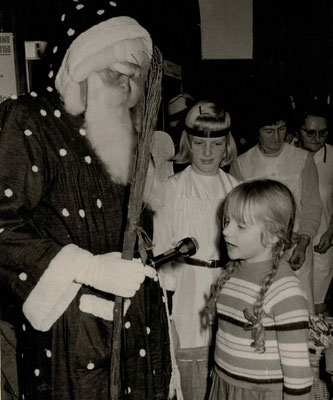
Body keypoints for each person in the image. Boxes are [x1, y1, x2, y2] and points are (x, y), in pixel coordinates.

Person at [0, 5, 172, 400]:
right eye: (117, 75)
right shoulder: (29, 119)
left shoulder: (124, 134)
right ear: (81, 67)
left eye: (134, 78)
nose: (129, 88)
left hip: (139, 324)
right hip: (71, 332)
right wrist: (88, 268)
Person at [153, 100, 239, 400]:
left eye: (216, 144)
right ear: (187, 142)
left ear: (226, 145)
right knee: (192, 380)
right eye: (199, 142)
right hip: (187, 295)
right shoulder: (171, 189)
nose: (206, 152)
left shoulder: (236, 190)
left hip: (229, 291)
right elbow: (162, 254)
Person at [207, 179, 313, 399]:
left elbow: (298, 371)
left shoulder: (285, 291)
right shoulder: (232, 273)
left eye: (241, 225)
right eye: (226, 221)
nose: (226, 231)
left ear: (274, 234)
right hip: (225, 384)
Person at [229, 99, 322, 314]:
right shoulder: (241, 164)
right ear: (256, 131)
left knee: (297, 311)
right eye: (269, 131)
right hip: (257, 255)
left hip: (296, 253)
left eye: (281, 129)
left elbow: (312, 207)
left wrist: (303, 242)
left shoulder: (303, 159)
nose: (277, 137)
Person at [294, 103, 333, 313]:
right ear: (298, 131)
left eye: (323, 133)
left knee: (316, 305)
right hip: (291, 243)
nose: (317, 138)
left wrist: (330, 232)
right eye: (310, 132)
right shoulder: (289, 156)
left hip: (321, 244)